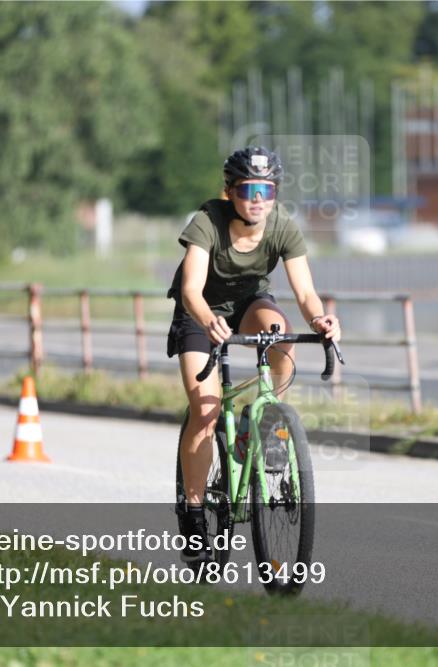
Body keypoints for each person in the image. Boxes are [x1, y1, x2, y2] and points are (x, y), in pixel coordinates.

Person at [166, 146, 341, 564]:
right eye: (248, 189)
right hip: (200, 313)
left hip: (248, 305)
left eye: (266, 189)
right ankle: (193, 515)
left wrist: (320, 320)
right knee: (204, 413)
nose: (258, 198)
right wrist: (207, 320)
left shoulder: (282, 227)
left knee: (280, 334)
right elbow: (191, 289)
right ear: (230, 192)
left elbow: (304, 292)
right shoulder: (208, 222)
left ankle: (259, 419)